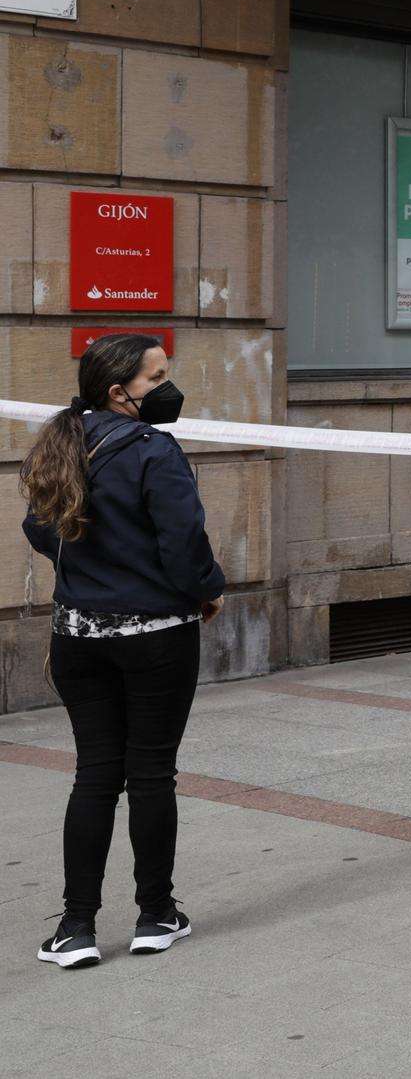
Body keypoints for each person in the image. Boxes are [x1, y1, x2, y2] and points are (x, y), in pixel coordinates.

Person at [20, 334, 224, 970]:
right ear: (119, 391)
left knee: (95, 774)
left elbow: (38, 526)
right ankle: (155, 915)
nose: (167, 386)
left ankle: (76, 927)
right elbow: (183, 540)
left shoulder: (64, 442)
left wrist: (88, 568)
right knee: (151, 772)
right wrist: (207, 591)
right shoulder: (153, 450)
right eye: (156, 376)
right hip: (157, 637)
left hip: (78, 637)